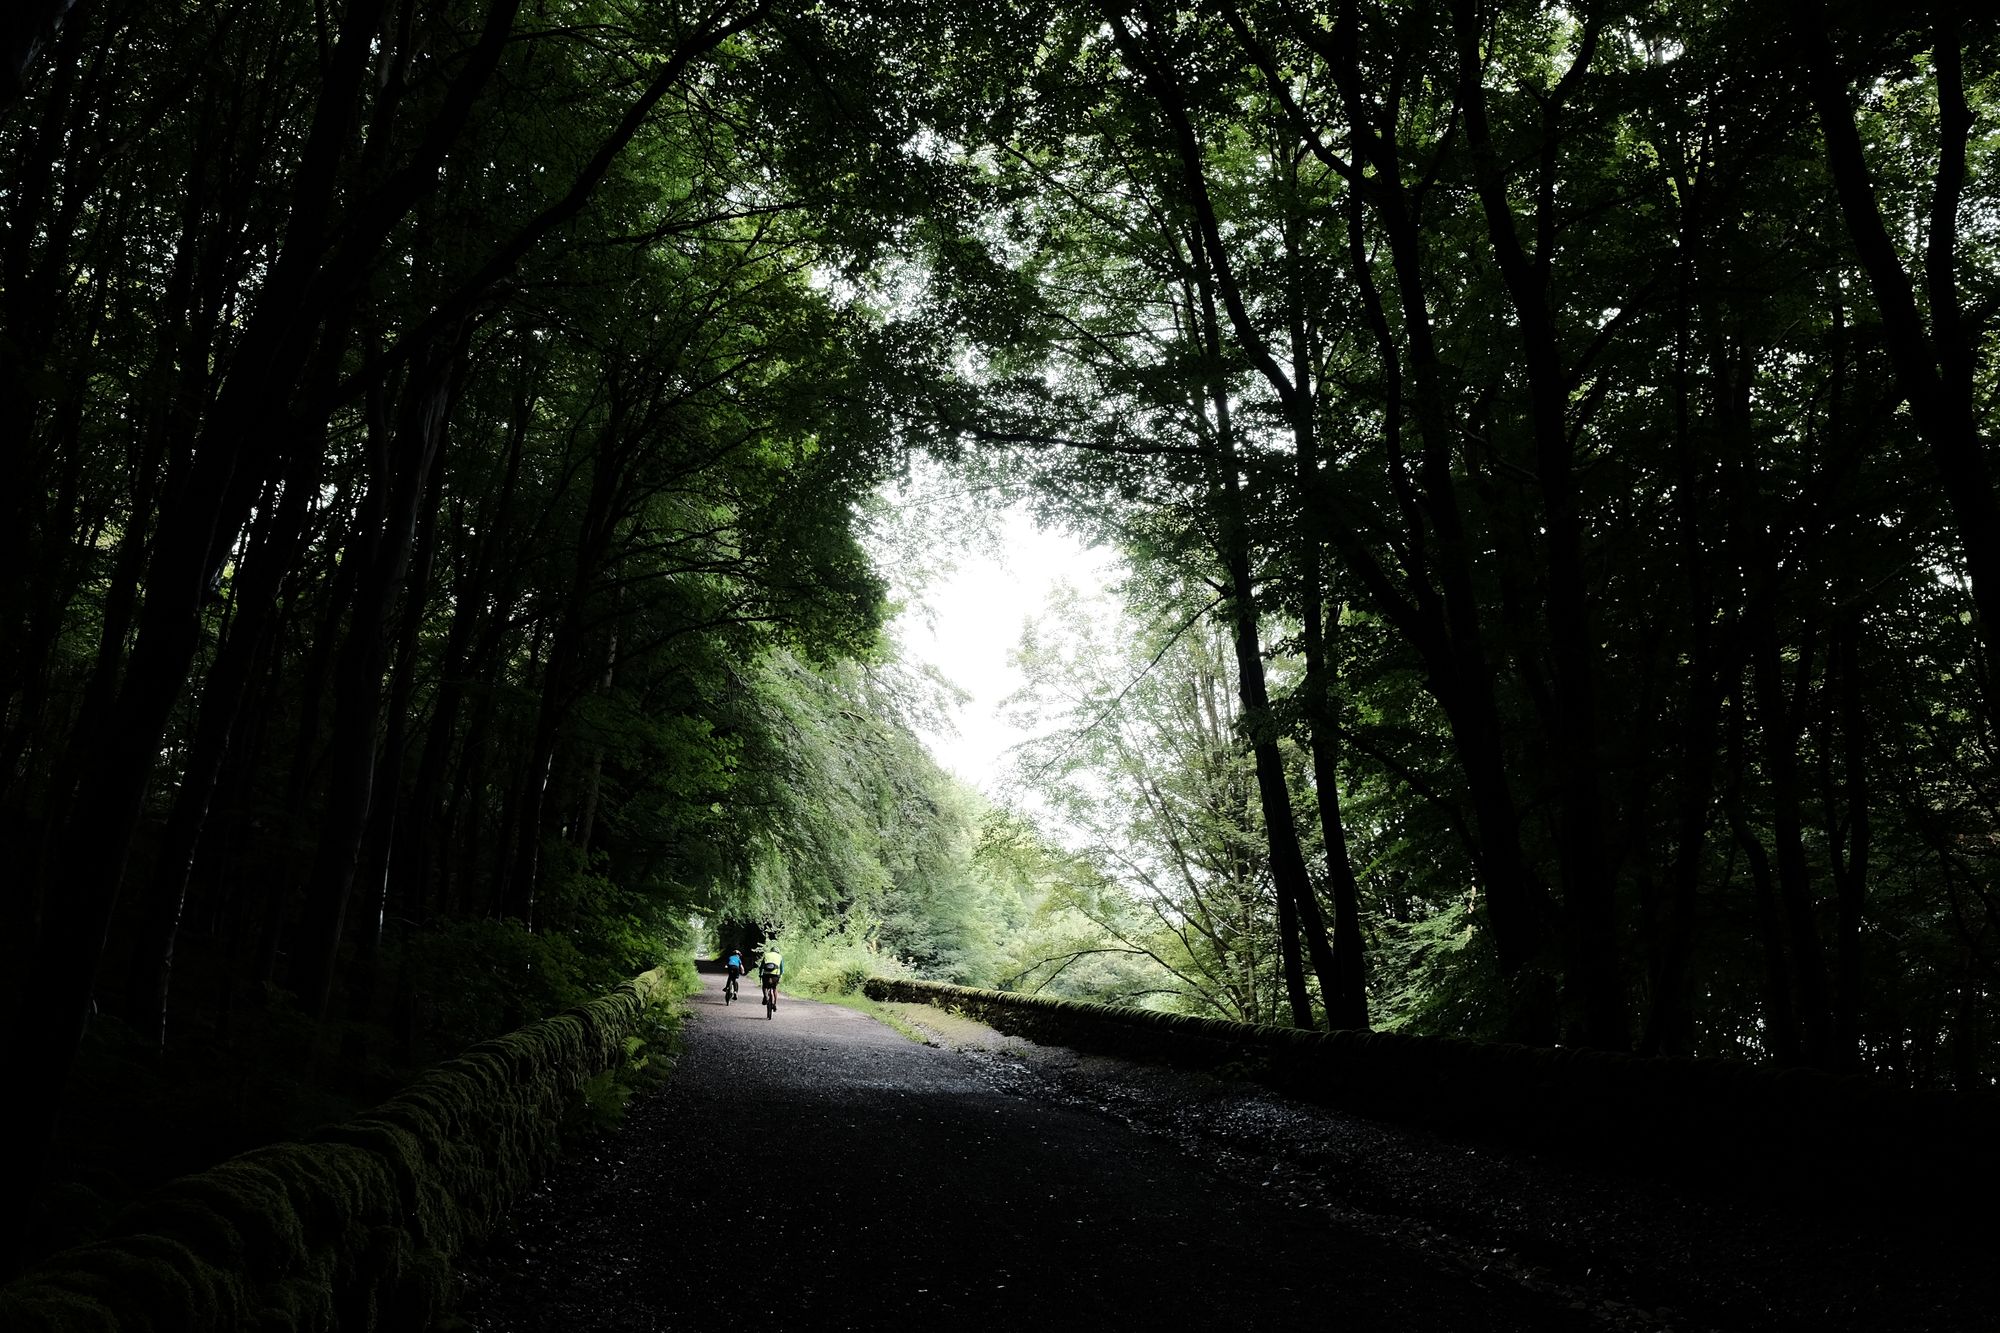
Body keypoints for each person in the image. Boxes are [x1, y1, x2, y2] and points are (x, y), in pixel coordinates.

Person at [758, 944, 784, 1010]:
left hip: (766, 974)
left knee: (764, 986)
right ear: (778, 951)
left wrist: (760, 974)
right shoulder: (780, 956)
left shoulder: (766, 955)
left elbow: (761, 967)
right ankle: (775, 1004)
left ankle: (766, 996)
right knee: (774, 988)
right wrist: (780, 976)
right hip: (775, 975)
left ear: (771, 951)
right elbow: (782, 969)